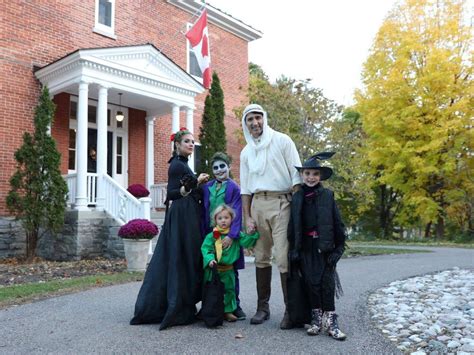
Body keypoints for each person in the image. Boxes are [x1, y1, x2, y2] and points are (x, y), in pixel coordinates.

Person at [130, 127, 209, 330]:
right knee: (181, 257)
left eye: (193, 141)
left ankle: (184, 303)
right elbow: (173, 194)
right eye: (187, 142)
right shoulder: (176, 165)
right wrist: (196, 182)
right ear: (177, 145)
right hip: (182, 214)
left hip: (187, 213)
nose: (191, 144)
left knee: (186, 257)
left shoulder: (182, 164)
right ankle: (178, 306)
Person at [239, 103, 302, 328]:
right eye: (250, 119)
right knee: (261, 256)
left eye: (258, 118)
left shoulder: (283, 141)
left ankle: (291, 310)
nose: (255, 123)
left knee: (283, 258)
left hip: (282, 202)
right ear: (245, 124)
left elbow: (297, 178)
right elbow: (245, 188)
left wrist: (298, 212)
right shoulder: (246, 152)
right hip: (258, 204)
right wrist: (247, 217)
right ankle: (262, 308)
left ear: (264, 118)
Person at [287, 152, 347, 340]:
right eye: (307, 174)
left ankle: (331, 321)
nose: (311, 178)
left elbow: (337, 223)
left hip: (325, 247)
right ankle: (316, 319)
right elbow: (293, 225)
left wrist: (339, 249)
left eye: (315, 174)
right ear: (302, 175)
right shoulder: (297, 197)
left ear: (320, 176)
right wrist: (294, 250)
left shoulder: (327, 196)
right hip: (306, 247)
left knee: (326, 283)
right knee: (311, 283)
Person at [201, 152, 247, 320]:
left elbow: (237, 212)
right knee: (211, 270)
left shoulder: (234, 187)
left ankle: (236, 306)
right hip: (211, 233)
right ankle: (212, 305)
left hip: (228, 234)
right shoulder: (208, 187)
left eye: (222, 166)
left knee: (230, 270)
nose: (219, 170)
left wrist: (232, 235)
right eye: (215, 167)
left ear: (229, 167)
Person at [201, 205, 260, 322]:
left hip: (228, 269)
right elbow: (206, 249)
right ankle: (212, 310)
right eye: (220, 218)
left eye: (226, 218)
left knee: (229, 290)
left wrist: (252, 234)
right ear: (215, 220)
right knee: (212, 291)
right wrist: (210, 259)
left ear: (232, 219)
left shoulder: (236, 235)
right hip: (214, 269)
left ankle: (228, 311)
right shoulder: (212, 235)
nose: (223, 220)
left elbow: (247, 242)